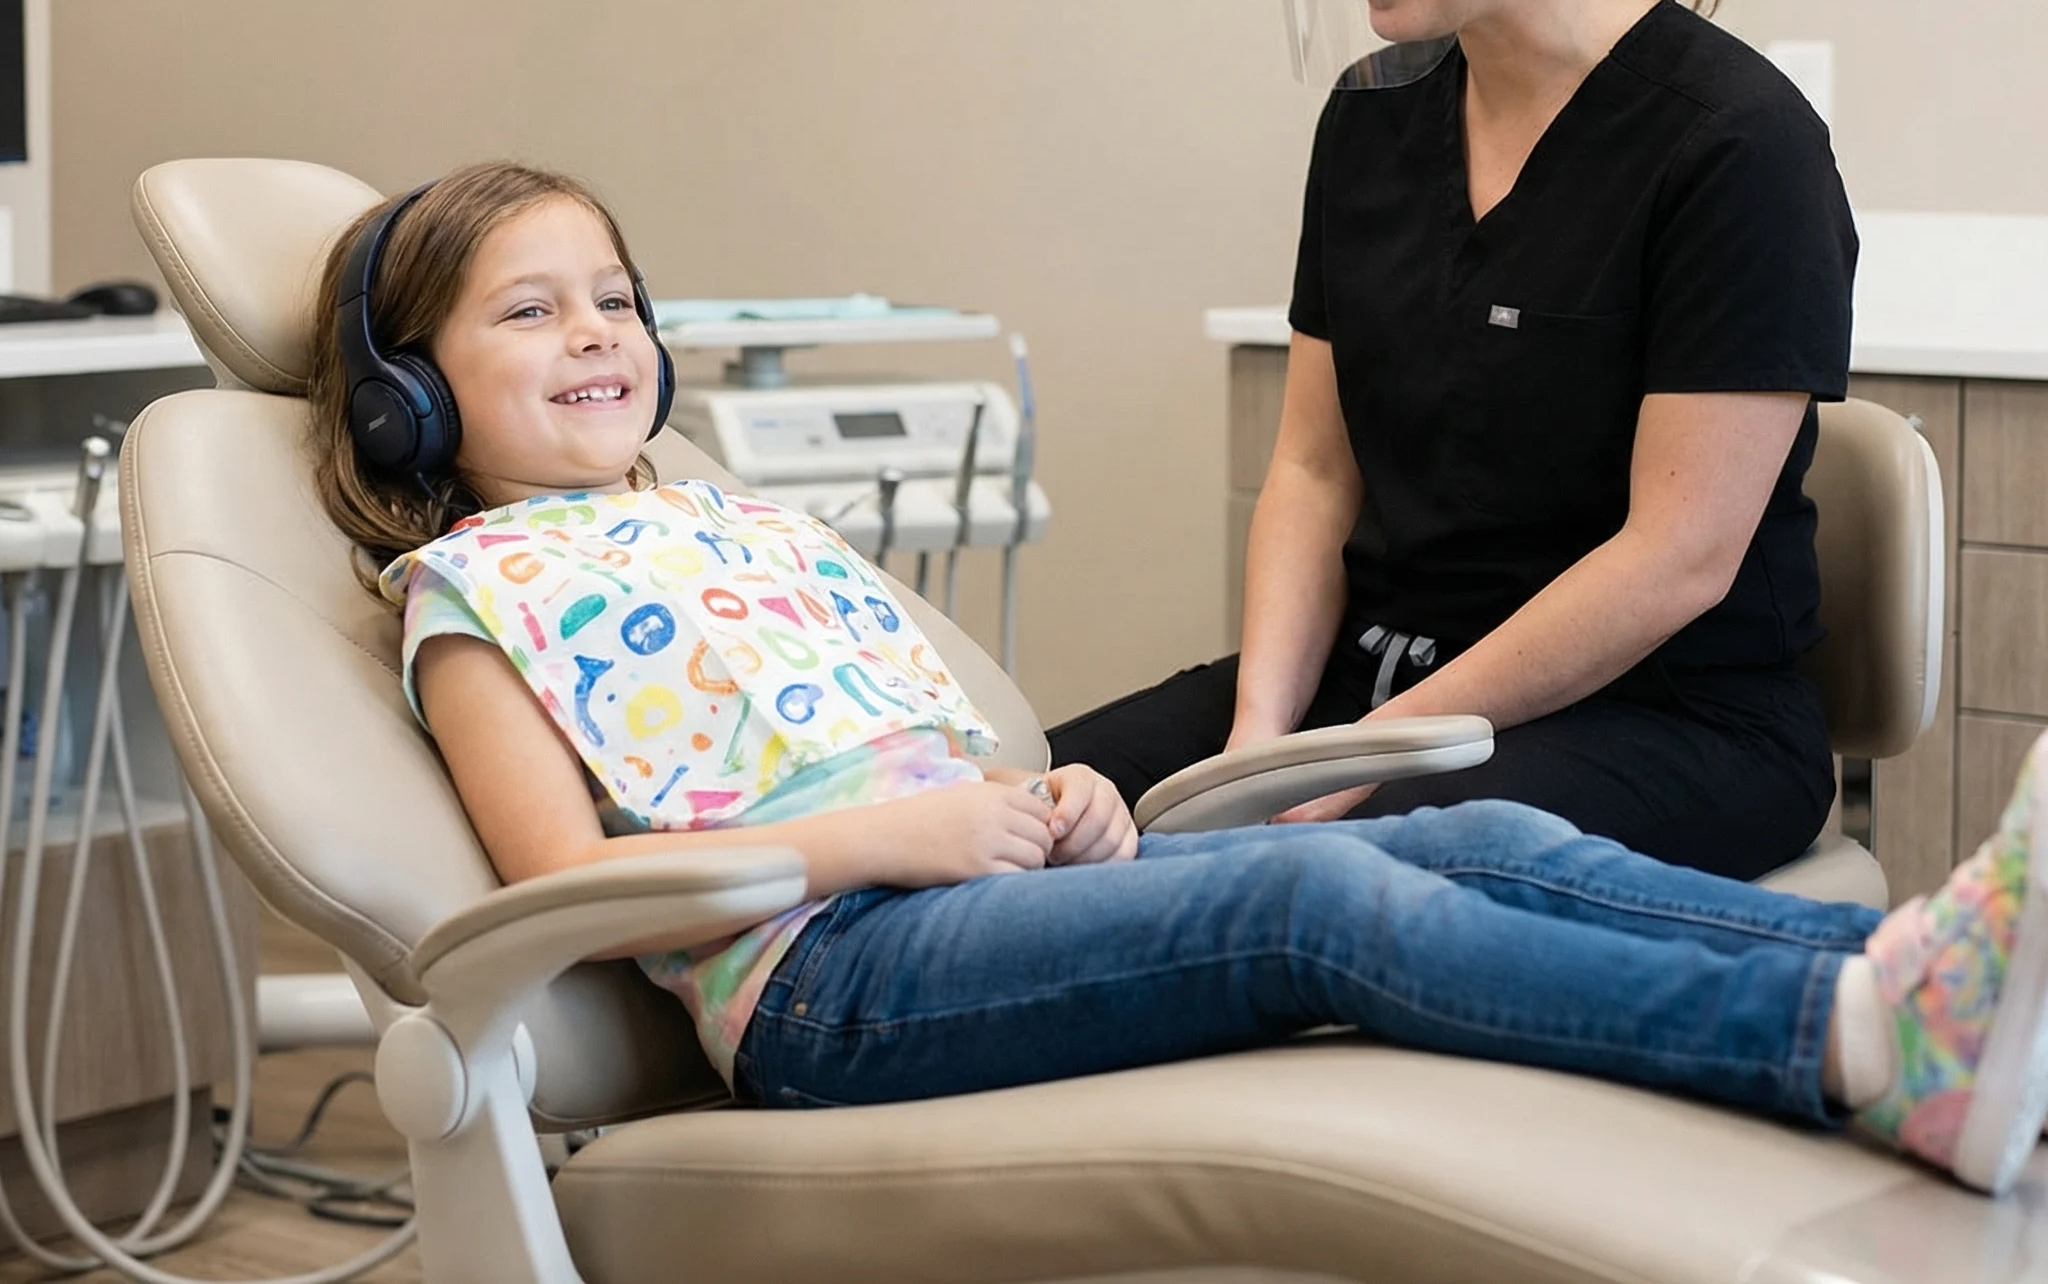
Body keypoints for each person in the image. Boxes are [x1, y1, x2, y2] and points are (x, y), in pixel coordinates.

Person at [304, 160, 2048, 1197]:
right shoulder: (475, 597)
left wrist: (1043, 799)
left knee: (1470, 836)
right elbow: (559, 889)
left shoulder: (728, 522)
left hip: (954, 904)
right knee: (1314, 894)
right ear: (408, 398)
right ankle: (1847, 1043)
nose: (596, 333)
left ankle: (1922, 971)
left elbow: (919, 760)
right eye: (527, 313)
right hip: (824, 986)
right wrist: (887, 843)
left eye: (614, 297)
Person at [1050, 0, 1857, 879]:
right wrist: (1260, 744)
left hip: (1663, 720)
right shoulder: (1371, 113)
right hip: (1370, 681)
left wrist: (1364, 760)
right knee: (1006, 815)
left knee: (1312, 874)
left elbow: (1676, 556)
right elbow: (1313, 467)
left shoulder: (1734, 144)